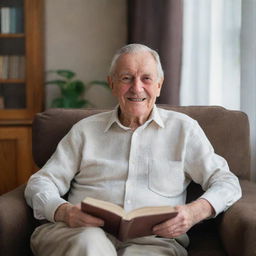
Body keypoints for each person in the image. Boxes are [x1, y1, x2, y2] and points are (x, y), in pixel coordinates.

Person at [25, 43, 241, 256]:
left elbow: (226, 182)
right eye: (126, 78)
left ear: (159, 85)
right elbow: (41, 182)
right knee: (89, 243)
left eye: (146, 78)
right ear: (112, 83)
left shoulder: (184, 130)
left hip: (153, 243)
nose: (137, 88)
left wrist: (194, 212)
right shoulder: (84, 131)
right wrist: (64, 212)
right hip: (82, 233)